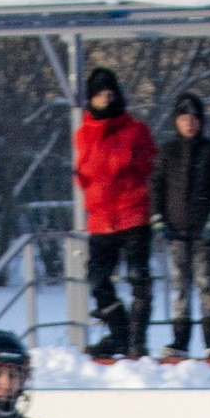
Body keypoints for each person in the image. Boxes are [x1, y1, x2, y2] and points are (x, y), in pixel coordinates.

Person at [75, 63, 156, 361]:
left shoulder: (136, 130)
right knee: (97, 279)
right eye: (99, 94)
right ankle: (120, 333)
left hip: (132, 211)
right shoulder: (83, 133)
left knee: (138, 276)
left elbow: (150, 166)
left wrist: (128, 166)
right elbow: (85, 170)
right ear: (91, 99)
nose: (105, 99)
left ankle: (137, 340)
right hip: (100, 217)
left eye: (109, 93)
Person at [154, 88, 210, 360]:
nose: (189, 123)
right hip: (175, 232)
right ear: (176, 121)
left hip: (204, 234)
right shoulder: (167, 151)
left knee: (205, 284)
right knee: (180, 287)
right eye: (184, 118)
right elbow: (157, 186)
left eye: (194, 118)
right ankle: (180, 341)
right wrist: (158, 217)